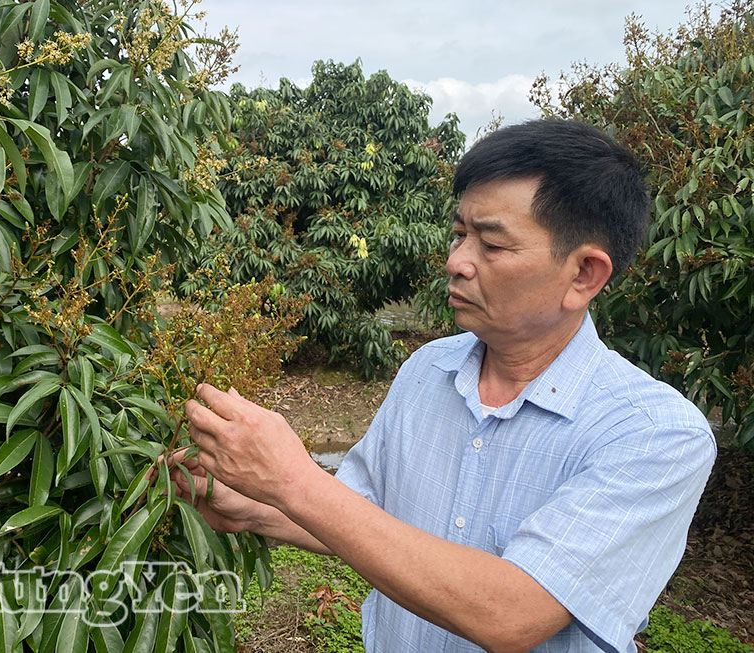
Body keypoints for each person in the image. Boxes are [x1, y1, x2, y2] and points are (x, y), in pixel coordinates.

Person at [167, 119, 717, 652]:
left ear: (584, 274)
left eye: (491, 245)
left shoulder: (656, 435)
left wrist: (290, 479)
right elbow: (364, 509)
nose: (457, 261)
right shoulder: (429, 368)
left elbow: (513, 613)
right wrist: (253, 505)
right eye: (459, 235)